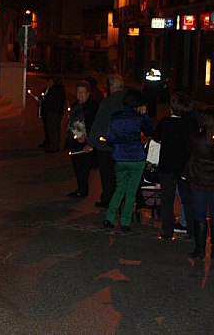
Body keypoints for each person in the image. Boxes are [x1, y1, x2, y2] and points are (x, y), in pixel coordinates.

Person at [102, 90, 154, 234]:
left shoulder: (115, 117)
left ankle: (109, 218)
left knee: (119, 189)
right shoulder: (139, 118)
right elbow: (150, 132)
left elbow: (110, 139)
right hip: (136, 158)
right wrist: (145, 115)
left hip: (120, 157)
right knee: (131, 192)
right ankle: (125, 223)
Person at [152, 92, 199, 240]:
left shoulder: (166, 122)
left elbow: (155, 137)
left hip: (167, 166)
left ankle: (167, 231)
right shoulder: (191, 124)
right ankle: (191, 229)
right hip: (185, 166)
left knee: (167, 199)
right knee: (187, 198)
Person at [85, 75, 126, 208]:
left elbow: (99, 123)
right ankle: (121, 199)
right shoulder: (130, 100)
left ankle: (108, 199)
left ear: (111, 87)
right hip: (124, 145)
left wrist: (91, 142)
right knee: (121, 174)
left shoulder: (107, 102)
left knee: (107, 174)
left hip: (107, 145)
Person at [185, 107, 214, 260]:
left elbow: (189, 152)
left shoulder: (195, 138)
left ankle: (199, 250)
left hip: (198, 181)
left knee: (199, 215)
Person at [65, 81, 98, 198]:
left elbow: (95, 124)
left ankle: (83, 190)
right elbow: (71, 123)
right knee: (78, 168)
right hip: (75, 143)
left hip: (87, 143)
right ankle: (81, 189)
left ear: (88, 93)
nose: (80, 95)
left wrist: (88, 138)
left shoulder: (93, 106)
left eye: (83, 92)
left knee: (84, 169)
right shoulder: (75, 106)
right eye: (78, 92)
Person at [41, 75, 65, 153]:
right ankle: (54, 145)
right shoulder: (60, 89)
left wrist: (43, 101)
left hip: (53, 112)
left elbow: (49, 101)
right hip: (56, 112)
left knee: (53, 130)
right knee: (55, 129)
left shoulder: (55, 90)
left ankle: (54, 146)